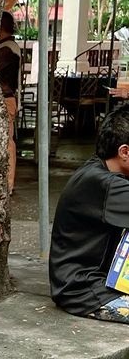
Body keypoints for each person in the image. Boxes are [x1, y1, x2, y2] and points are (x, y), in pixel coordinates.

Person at [50, 105, 129, 323]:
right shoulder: (106, 185)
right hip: (86, 290)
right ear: (124, 152)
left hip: (97, 282)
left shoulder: (98, 168)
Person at [0, 11, 21, 195]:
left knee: (6, 140)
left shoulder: (7, 49)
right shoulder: (6, 47)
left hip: (6, 98)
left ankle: (8, 183)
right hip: (4, 98)